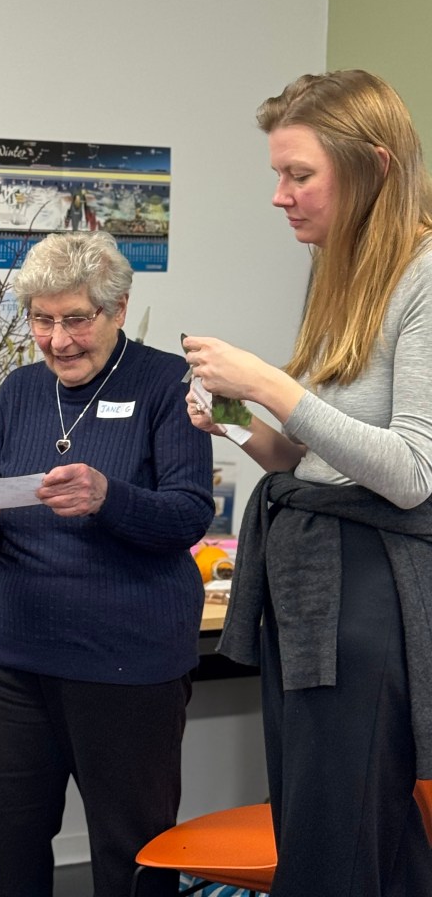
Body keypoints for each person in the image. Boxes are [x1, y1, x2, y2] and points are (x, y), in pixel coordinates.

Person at [183, 70, 432, 897]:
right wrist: (241, 426)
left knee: (343, 839)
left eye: (299, 175)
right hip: (310, 584)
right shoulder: (335, 270)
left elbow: (409, 475)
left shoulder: (425, 277)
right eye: (277, 177)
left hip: (371, 597)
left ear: (374, 168)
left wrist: (268, 383)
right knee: (320, 828)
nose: (281, 197)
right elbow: (310, 460)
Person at [0, 230, 214, 897]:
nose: (58, 340)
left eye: (76, 319)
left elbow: (189, 514)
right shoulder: (19, 390)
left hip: (126, 663)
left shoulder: (171, 385)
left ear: (118, 309)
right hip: (13, 656)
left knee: (132, 857)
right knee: (2, 850)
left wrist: (108, 496)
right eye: (41, 320)